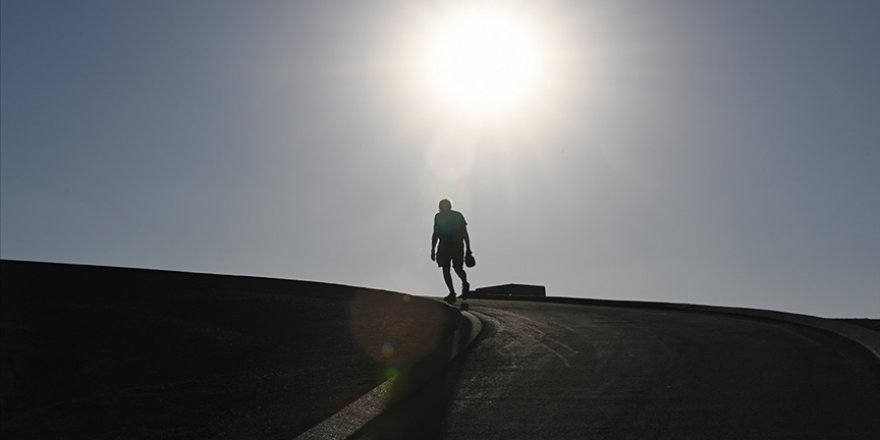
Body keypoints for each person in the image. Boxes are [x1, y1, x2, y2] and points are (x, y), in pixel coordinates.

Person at [430, 198, 472, 304]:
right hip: (446, 246)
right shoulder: (439, 217)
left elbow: (464, 233)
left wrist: (468, 249)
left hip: (455, 246)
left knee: (455, 268)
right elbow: (435, 233)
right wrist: (433, 249)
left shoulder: (457, 215)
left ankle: (463, 284)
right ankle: (452, 292)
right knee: (446, 269)